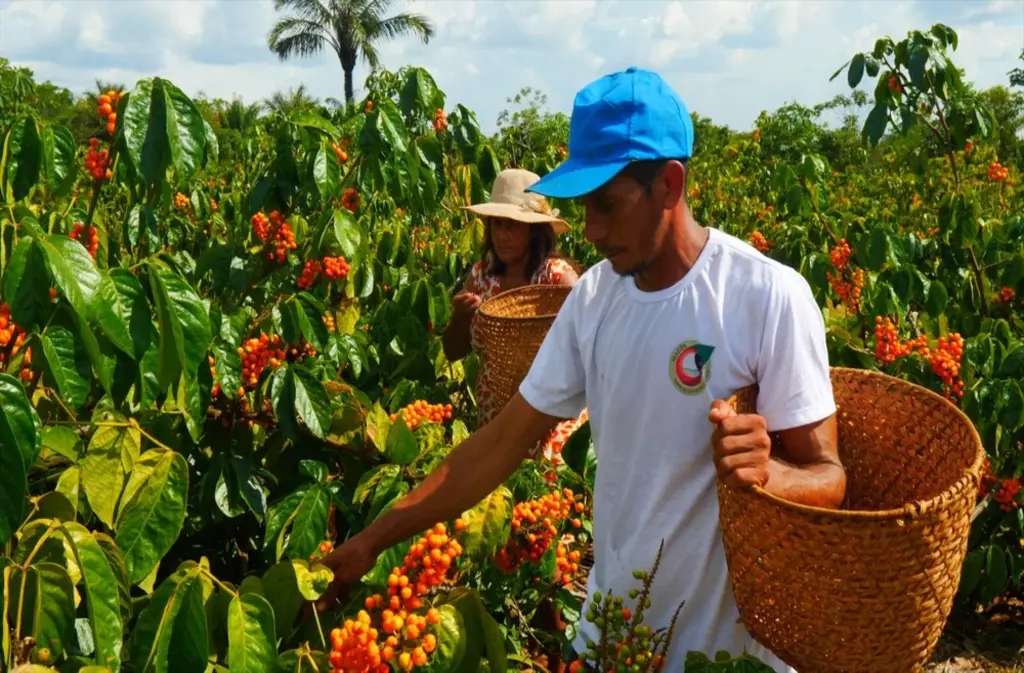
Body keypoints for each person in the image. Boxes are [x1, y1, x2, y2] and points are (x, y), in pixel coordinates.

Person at [317, 67, 846, 672]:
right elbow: (500, 442)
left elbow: (828, 477)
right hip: (605, 642)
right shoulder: (594, 298)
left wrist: (769, 473)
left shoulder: (766, 295)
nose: (591, 230)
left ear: (669, 184)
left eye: (607, 205)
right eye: (584, 206)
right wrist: (370, 541)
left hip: (718, 657)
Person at [442, 167, 587, 463]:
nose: (503, 236)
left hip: (550, 418)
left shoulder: (556, 278)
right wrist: (460, 317)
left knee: (544, 489)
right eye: (497, 225)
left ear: (534, 231)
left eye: (513, 226)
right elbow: (453, 351)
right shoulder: (481, 277)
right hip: (496, 418)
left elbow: (590, 341)